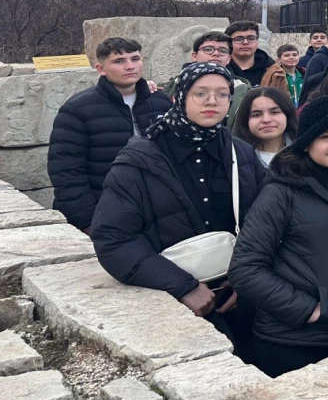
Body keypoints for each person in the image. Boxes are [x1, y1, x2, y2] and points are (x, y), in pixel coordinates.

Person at [93, 63, 264, 356]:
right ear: (181, 97)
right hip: (171, 299)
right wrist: (183, 287)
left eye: (222, 94)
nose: (213, 102)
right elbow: (114, 237)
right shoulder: (140, 159)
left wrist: (249, 279)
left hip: (242, 292)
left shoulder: (241, 152)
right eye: (201, 93)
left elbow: (266, 220)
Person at [229, 96, 328, 376]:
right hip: (291, 340)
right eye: (327, 136)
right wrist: (307, 310)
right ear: (308, 140)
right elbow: (245, 268)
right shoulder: (282, 191)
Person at [49, 37, 172, 231]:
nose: (130, 66)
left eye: (135, 58)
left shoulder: (160, 102)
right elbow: (67, 172)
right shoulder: (77, 109)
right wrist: (89, 222)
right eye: (119, 61)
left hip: (156, 212)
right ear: (101, 69)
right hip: (105, 211)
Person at [233, 87, 298, 169]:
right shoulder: (235, 158)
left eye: (274, 112)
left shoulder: (305, 153)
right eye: (256, 115)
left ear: (287, 115)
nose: (266, 120)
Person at [225, 21, 274, 88]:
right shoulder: (221, 68)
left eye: (251, 38)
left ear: (257, 41)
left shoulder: (273, 71)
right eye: (238, 39)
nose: (245, 42)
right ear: (228, 43)